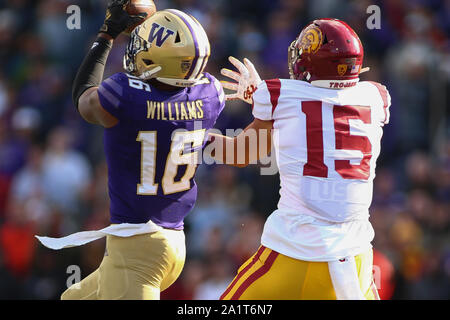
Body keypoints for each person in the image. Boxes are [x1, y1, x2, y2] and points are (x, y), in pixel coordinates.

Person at [36, 1, 225, 300]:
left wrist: (107, 35)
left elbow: (84, 99)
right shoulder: (210, 94)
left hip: (137, 249)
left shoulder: (124, 93)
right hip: (173, 242)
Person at [209, 18, 391, 299]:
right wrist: (261, 98)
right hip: (352, 263)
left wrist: (193, 139)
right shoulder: (376, 96)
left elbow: (240, 154)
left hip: (292, 253)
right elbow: (330, 107)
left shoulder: (279, 93)